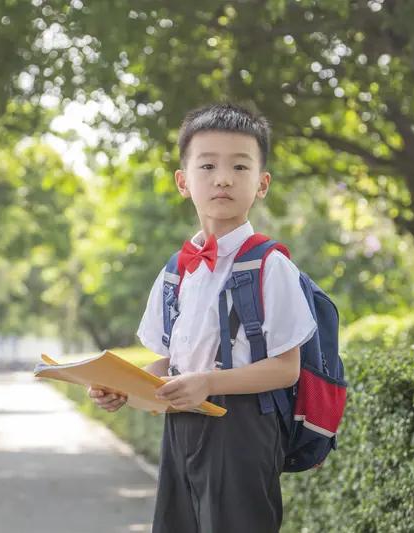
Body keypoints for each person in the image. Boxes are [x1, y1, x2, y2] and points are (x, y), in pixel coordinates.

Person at [88, 103, 318, 532]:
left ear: (262, 183)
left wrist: (208, 383)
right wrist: (122, 385)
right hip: (181, 429)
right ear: (183, 181)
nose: (223, 178)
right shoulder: (176, 270)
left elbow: (287, 369)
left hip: (243, 432)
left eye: (240, 166)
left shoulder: (271, 266)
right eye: (208, 164)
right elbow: (172, 362)